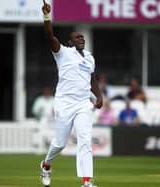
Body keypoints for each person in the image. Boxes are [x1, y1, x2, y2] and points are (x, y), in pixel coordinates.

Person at [40, 1, 103, 187]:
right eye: (77, 37)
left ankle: (86, 181)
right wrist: (46, 17)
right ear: (70, 42)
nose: (82, 39)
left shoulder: (90, 57)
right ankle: (46, 164)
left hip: (84, 103)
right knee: (59, 144)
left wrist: (99, 96)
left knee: (85, 140)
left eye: (83, 37)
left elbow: (92, 79)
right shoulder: (63, 53)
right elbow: (50, 36)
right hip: (64, 103)